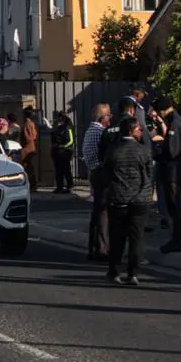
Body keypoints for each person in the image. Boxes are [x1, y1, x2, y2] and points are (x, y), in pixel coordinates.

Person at [104, 117, 152, 285]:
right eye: (139, 129)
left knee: (117, 238)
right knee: (136, 238)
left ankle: (115, 272)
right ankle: (133, 273)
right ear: (131, 131)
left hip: (119, 198)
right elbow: (149, 174)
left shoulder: (113, 151)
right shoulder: (144, 151)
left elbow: (107, 174)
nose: (141, 131)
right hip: (140, 199)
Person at [153, 96, 181, 254]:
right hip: (176, 170)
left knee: (174, 207)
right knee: (174, 207)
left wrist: (159, 149)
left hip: (173, 171)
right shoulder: (177, 119)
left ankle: (177, 239)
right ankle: (176, 239)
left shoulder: (174, 121)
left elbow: (173, 150)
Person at [82, 104, 112, 261]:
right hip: (101, 173)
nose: (110, 118)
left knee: (97, 213)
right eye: (109, 116)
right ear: (103, 118)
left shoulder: (90, 130)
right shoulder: (100, 132)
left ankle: (95, 247)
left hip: (94, 173)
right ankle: (102, 248)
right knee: (103, 213)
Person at [50, 111, 75, 194]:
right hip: (57, 152)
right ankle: (59, 187)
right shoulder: (58, 127)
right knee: (58, 171)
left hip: (65, 152)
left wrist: (62, 146)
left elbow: (71, 141)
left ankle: (69, 186)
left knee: (66, 169)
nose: (57, 119)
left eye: (58, 117)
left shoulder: (68, 127)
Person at [19, 108, 39, 190]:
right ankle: (33, 185)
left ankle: (31, 185)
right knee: (29, 167)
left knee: (27, 167)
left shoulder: (26, 124)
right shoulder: (32, 124)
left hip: (27, 148)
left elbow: (28, 138)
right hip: (31, 147)